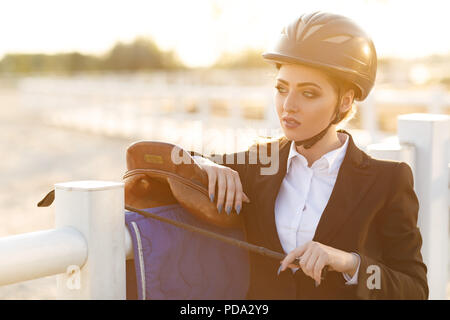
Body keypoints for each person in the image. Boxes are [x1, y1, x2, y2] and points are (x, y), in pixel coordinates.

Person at [191, 11, 428, 299]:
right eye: (281, 89)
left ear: (345, 102)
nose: (288, 106)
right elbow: (154, 160)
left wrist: (349, 262)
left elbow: (414, 289)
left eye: (309, 93)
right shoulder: (258, 162)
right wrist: (202, 164)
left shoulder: (388, 181)